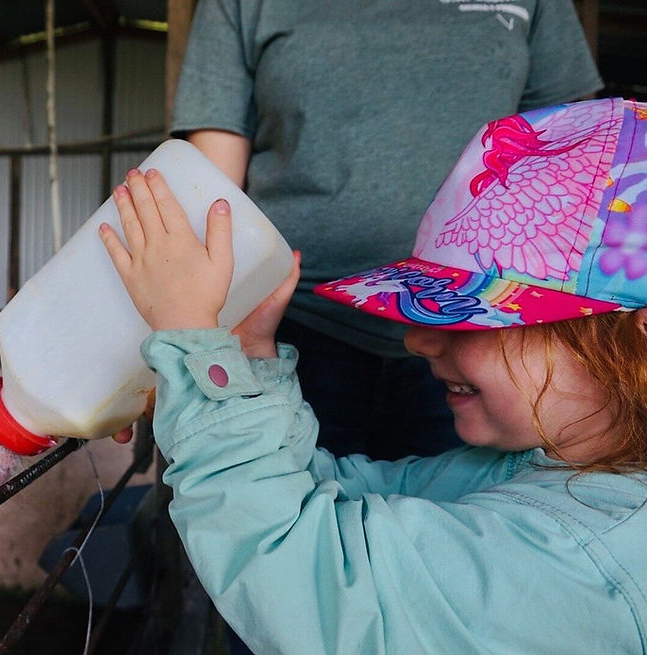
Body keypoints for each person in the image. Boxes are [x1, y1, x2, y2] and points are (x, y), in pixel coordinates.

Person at [99, 97, 647, 653]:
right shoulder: (540, 466)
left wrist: (193, 341)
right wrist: (235, 367)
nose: (416, 339)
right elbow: (323, 500)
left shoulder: (582, 555)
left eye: (474, 318)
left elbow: (308, 581)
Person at [170, 0, 604, 461]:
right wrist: (186, 337)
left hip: (478, 324)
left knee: (457, 520)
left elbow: (570, 151)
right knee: (278, 504)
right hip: (293, 323)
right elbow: (212, 193)